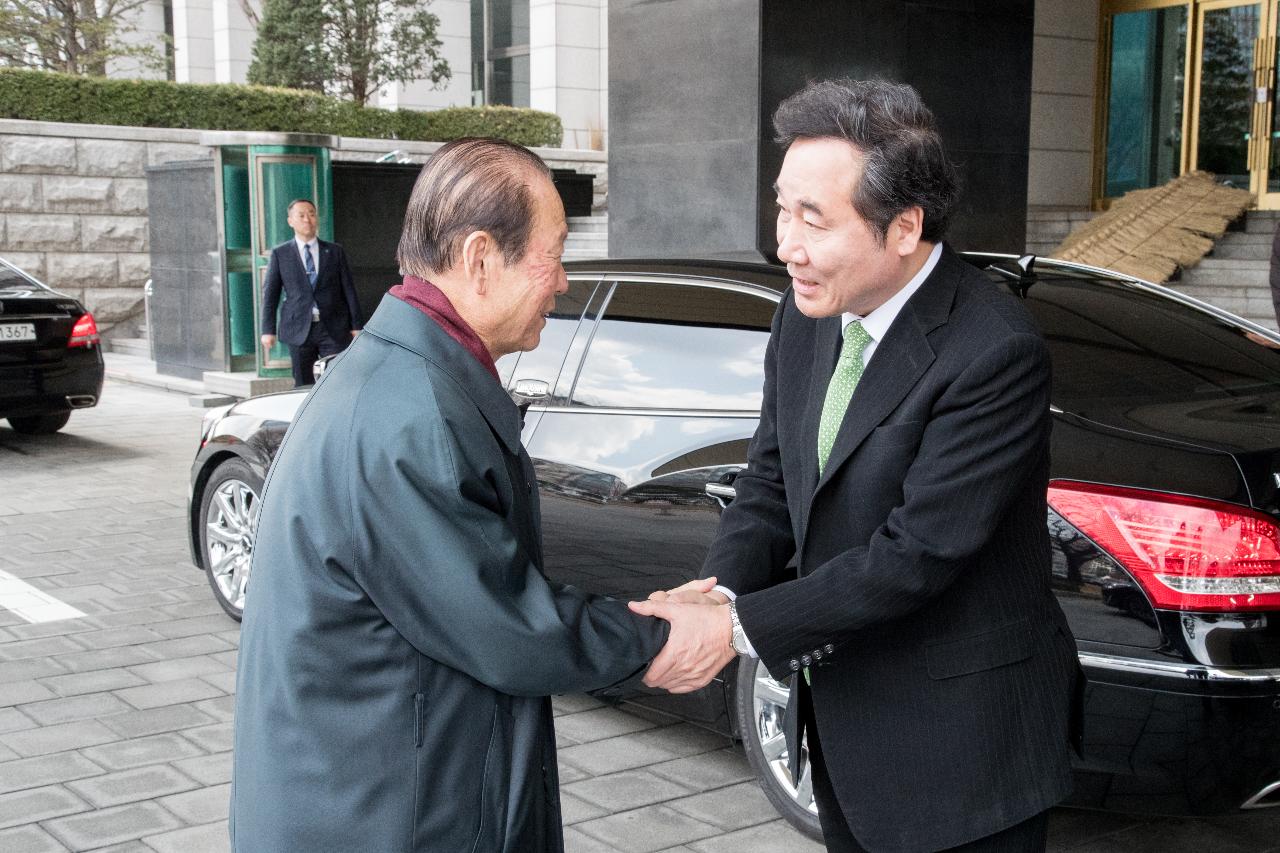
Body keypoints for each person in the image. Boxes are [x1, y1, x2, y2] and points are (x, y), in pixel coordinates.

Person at [630, 79, 1081, 852]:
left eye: (814, 219)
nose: (787, 244)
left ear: (904, 228)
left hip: (964, 752)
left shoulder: (993, 349)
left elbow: (918, 553)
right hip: (846, 729)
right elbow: (770, 479)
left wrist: (731, 629)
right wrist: (717, 587)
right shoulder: (804, 315)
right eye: (782, 207)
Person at [231, 138, 677, 852]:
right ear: (478, 257)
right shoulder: (410, 417)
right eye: (552, 254)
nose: (562, 281)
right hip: (386, 819)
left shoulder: (398, 375)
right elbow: (507, 626)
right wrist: (667, 632)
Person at [259, 198, 363, 387]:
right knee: (302, 381)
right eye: (301, 215)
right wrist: (267, 330)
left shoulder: (334, 251)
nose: (307, 219)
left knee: (338, 376)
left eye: (312, 214)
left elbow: (349, 289)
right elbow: (270, 295)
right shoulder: (280, 254)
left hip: (333, 326)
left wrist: (356, 325)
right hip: (298, 327)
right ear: (290, 221)